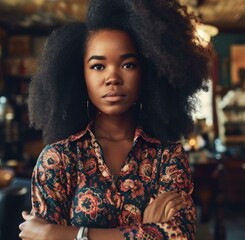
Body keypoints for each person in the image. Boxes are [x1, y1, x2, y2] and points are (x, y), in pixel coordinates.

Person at [19, 0, 211, 239]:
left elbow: (180, 234)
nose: (113, 77)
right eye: (98, 66)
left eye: (128, 64)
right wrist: (146, 231)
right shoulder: (58, 158)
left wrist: (70, 234)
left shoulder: (168, 156)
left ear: (149, 73)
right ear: (80, 77)